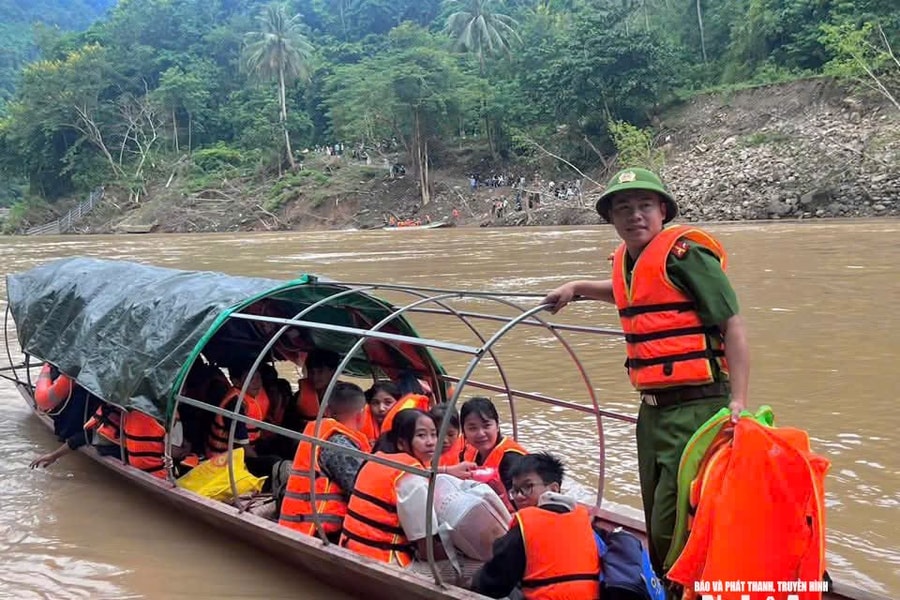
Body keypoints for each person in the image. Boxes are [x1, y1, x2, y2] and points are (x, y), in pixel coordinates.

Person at [541, 166, 750, 576]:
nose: (635, 215)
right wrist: (576, 287)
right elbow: (624, 292)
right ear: (611, 218)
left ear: (663, 211)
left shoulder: (688, 257)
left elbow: (734, 327)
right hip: (652, 412)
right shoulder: (628, 262)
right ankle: (666, 583)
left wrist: (739, 402)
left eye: (644, 206)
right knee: (655, 508)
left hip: (698, 408)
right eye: (624, 208)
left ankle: (683, 585)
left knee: (677, 517)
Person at [340, 409, 476, 567]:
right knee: (475, 568)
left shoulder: (378, 459)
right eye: (421, 435)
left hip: (352, 548)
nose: (431, 441)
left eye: (433, 434)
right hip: (384, 561)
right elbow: (427, 550)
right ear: (402, 443)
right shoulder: (411, 478)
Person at [471, 453, 600, 599]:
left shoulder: (527, 524)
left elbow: (493, 585)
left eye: (528, 486)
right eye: (515, 490)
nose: (519, 496)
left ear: (553, 489)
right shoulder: (582, 518)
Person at [279, 382, 371, 539]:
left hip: (300, 525)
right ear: (361, 414)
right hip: (318, 533)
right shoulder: (337, 444)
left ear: (327, 410)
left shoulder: (320, 433)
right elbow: (361, 492)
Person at [459, 397, 526, 511]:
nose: (480, 433)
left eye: (486, 426)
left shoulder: (511, 459)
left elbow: (526, 501)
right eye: (472, 428)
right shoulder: (467, 451)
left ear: (497, 426)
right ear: (464, 432)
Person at [206, 363, 269, 458]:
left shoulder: (252, 396)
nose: (257, 382)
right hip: (224, 459)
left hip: (246, 449)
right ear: (236, 382)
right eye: (251, 378)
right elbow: (243, 448)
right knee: (274, 463)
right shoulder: (235, 404)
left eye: (258, 377)